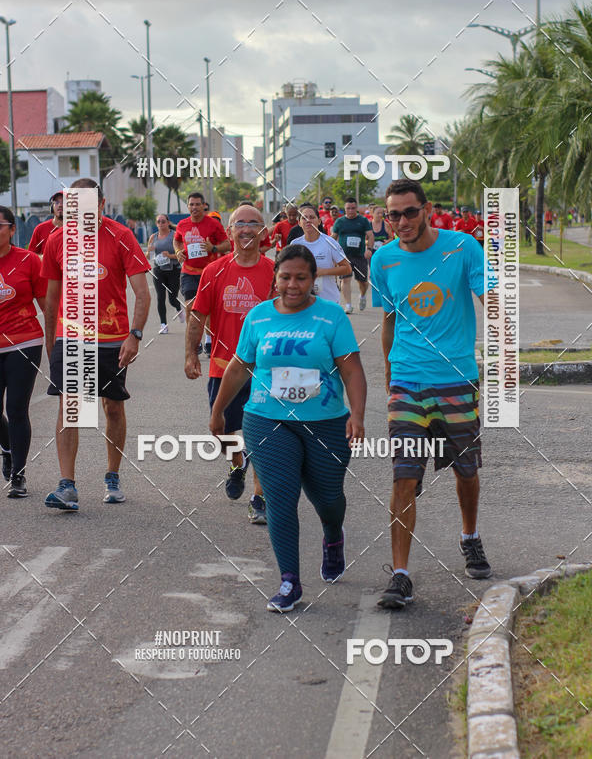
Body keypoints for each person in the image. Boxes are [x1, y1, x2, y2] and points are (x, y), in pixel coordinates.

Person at [210, 244, 366, 611]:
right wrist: (219, 411)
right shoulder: (260, 317)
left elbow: (352, 369)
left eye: (301, 277)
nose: (292, 284)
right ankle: (289, 581)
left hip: (326, 422)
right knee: (280, 498)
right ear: (275, 279)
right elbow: (239, 366)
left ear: (313, 280)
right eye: (285, 277)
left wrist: (357, 414)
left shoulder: (330, 317)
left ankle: (332, 536)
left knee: (328, 498)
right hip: (266, 419)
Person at [370, 180, 493, 610]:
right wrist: (387, 370)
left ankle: (470, 536)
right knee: (404, 475)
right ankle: (400, 575)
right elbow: (389, 318)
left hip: (457, 379)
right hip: (407, 380)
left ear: (426, 210)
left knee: (466, 470)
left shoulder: (462, 247)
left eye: (409, 212)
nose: (401, 222)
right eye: (393, 215)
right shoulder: (383, 259)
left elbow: (490, 300)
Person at [42, 178, 151, 510]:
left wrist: (135, 335)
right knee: (71, 409)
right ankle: (67, 486)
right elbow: (50, 300)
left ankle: (112, 475)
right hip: (71, 337)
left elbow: (142, 294)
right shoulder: (57, 240)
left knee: (112, 407)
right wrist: (51, 345)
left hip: (112, 339)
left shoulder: (121, 236)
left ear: (102, 205)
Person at [185, 205, 274, 522]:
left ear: (264, 232)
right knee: (220, 429)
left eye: (254, 224)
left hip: (266, 369)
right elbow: (198, 315)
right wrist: (191, 353)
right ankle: (237, 463)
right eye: (240, 223)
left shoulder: (275, 272)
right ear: (229, 231)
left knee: (264, 434)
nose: (247, 229)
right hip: (223, 367)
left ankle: (259, 498)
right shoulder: (214, 271)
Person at [0, 206, 46, 498]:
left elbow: (46, 305)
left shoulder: (29, 261)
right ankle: (7, 448)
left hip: (23, 343)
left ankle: (18, 475)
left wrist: (59, 341)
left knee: (15, 408)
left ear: (12, 230)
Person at [173, 192, 230, 322]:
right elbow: (176, 240)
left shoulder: (214, 224)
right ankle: (193, 341)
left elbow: (227, 245)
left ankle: (208, 340)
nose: (194, 207)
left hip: (209, 273)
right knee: (190, 306)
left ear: (203, 206)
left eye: (198, 204)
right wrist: (177, 251)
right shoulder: (182, 224)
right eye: (191, 204)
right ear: (187, 206)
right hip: (188, 272)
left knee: (209, 308)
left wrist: (213, 248)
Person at [290, 203, 351, 302]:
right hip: (303, 301)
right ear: (299, 223)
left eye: (312, 217)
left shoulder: (330, 242)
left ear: (319, 221)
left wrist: (323, 272)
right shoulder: (295, 244)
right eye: (304, 218)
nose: (308, 220)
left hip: (328, 300)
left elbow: (347, 269)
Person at [332, 196, 374, 313]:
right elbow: (333, 238)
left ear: (357, 208)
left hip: (360, 256)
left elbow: (370, 235)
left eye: (353, 208)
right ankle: (348, 305)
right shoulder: (340, 222)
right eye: (348, 208)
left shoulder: (363, 220)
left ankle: (362, 296)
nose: (351, 211)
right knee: (345, 280)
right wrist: (332, 253)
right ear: (344, 209)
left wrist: (369, 249)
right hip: (344, 256)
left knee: (363, 282)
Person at [146, 214, 183, 334]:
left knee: (172, 299)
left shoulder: (174, 235)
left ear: (168, 222)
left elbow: (181, 256)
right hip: (159, 270)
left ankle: (178, 308)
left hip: (173, 270)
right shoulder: (153, 237)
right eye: (158, 222)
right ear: (156, 224)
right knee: (160, 297)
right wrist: (149, 252)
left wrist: (170, 256)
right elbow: (148, 256)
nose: (161, 224)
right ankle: (163, 325)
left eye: (163, 221)